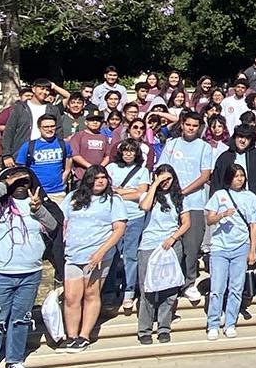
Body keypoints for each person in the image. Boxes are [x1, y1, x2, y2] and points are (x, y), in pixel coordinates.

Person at [0, 167, 60, 368]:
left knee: (21, 319)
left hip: (29, 272)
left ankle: (15, 361)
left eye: (25, 181)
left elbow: (53, 226)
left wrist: (38, 209)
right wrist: (5, 184)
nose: (21, 185)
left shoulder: (35, 205)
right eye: (16, 182)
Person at [56, 166, 127, 352]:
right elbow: (61, 220)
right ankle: (71, 335)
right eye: (97, 178)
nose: (101, 181)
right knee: (71, 296)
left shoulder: (113, 200)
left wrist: (101, 252)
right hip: (73, 254)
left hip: (98, 256)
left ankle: (84, 335)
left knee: (91, 294)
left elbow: (119, 228)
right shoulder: (72, 197)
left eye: (104, 177)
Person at [156, 111, 216, 305]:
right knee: (172, 243)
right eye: (188, 124)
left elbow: (205, 175)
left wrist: (183, 191)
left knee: (192, 245)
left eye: (194, 126)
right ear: (182, 124)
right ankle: (170, 281)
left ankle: (189, 282)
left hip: (195, 202)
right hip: (170, 202)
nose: (190, 128)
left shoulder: (204, 147)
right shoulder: (171, 144)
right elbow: (162, 169)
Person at [202, 164, 256, 339]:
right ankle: (213, 323)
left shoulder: (250, 197)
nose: (239, 179)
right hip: (220, 247)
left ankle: (230, 322)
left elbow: (254, 225)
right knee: (217, 287)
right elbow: (209, 220)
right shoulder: (219, 195)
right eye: (236, 176)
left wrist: (253, 250)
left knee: (236, 287)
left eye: (242, 175)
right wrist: (222, 215)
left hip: (240, 246)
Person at [135, 165, 191, 344]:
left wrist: (173, 238)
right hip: (149, 245)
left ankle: (164, 327)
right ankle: (144, 329)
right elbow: (144, 206)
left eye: (169, 179)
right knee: (148, 289)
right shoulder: (149, 195)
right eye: (163, 179)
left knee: (169, 288)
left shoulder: (180, 198)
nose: (166, 183)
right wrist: (156, 184)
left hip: (171, 244)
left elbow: (186, 223)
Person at [107, 139, 150, 313]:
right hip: (114, 217)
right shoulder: (110, 168)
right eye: (125, 151)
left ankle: (129, 291)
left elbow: (141, 193)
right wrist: (128, 192)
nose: (128, 154)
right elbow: (107, 189)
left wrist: (119, 192)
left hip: (135, 216)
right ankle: (109, 291)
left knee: (131, 255)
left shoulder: (143, 170)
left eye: (132, 151)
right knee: (112, 254)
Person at [12, 114, 72, 200]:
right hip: (35, 192)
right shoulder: (28, 146)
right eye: (46, 127)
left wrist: (65, 175)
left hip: (57, 192)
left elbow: (69, 159)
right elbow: (20, 167)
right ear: (39, 128)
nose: (49, 129)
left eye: (52, 126)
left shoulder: (64, 144)